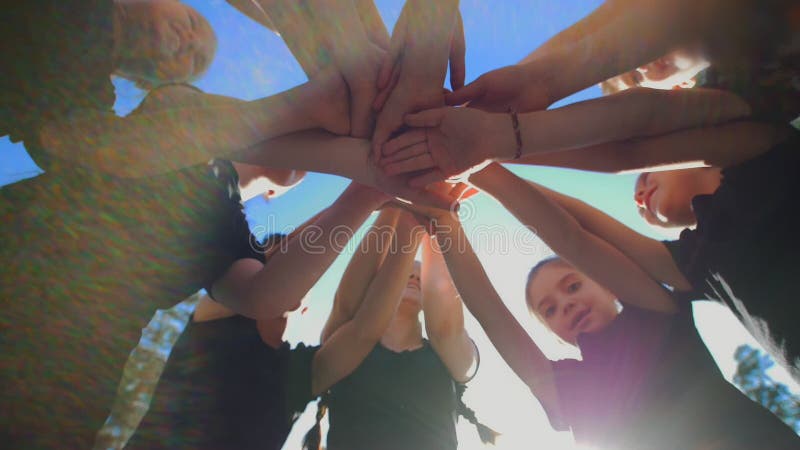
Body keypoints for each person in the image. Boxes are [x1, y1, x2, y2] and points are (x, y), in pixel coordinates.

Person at [420, 163, 800, 449]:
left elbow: (574, 234)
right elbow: (491, 314)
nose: (565, 305)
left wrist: (480, 173)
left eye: (572, 286)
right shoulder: (569, 388)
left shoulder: (656, 312)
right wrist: (443, 220)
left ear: (606, 283)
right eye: (548, 310)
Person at [126, 186, 402, 450]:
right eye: (274, 259)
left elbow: (364, 329)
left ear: (304, 307)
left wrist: (401, 214)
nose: (292, 269)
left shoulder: (300, 372)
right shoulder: (217, 316)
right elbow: (270, 278)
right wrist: (370, 196)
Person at [308, 205, 491, 450]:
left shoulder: (448, 355)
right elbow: (347, 304)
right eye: (406, 272)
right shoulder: (346, 341)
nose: (415, 277)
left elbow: (445, 327)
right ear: (384, 283)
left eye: (420, 275)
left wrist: (438, 208)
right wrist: (393, 201)